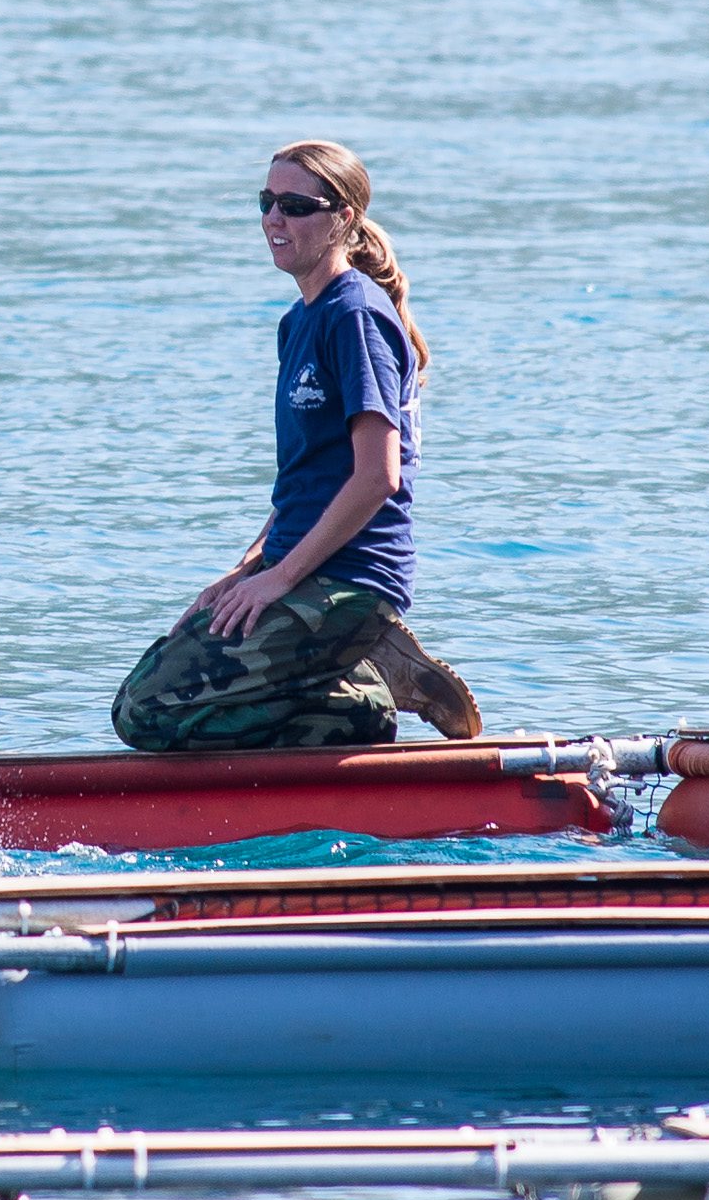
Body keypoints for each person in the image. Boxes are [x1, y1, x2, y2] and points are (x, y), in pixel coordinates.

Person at [111, 142, 479, 751]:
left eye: (295, 206)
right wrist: (245, 571)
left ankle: (363, 669)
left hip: (349, 580)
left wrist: (279, 578)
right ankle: (354, 702)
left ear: (343, 219)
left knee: (147, 713)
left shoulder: (355, 316)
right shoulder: (299, 320)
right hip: (295, 567)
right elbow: (305, 481)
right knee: (143, 685)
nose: (273, 219)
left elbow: (377, 477)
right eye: (266, 202)